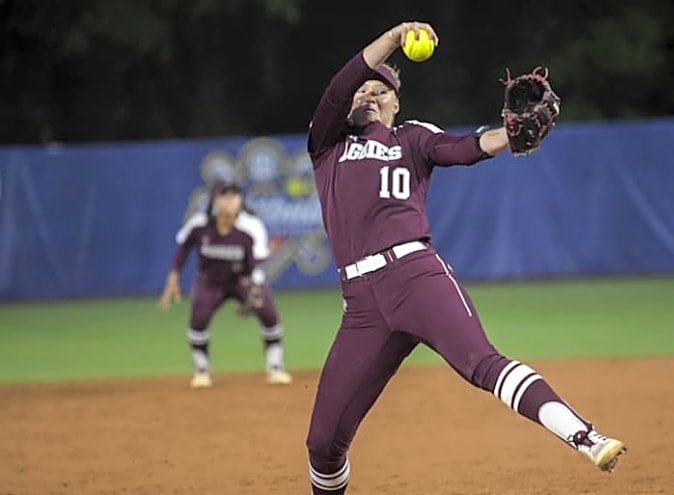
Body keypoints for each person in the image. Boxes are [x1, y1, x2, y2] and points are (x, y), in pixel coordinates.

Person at [303, 21, 626, 494]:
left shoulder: (412, 139)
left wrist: (511, 135)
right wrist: (393, 39)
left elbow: (466, 147)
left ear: (395, 103)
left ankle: (584, 435)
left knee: (481, 363)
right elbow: (341, 82)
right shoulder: (327, 145)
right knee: (323, 442)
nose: (366, 95)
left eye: (379, 90)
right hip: (362, 307)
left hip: (416, 277)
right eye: (361, 90)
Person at [158, 181, 293, 389]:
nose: (229, 202)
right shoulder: (199, 224)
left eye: (234, 196)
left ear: (241, 200)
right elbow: (183, 247)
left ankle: (275, 366)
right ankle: (201, 370)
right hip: (210, 282)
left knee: (269, 314)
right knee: (199, 319)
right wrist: (173, 276)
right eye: (224, 196)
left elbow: (256, 263)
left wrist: (255, 290)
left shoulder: (251, 226)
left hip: (241, 280)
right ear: (214, 200)